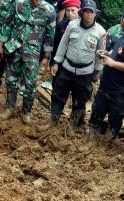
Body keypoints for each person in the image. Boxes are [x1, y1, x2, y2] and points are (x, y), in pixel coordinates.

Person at [88, 5, 124, 142]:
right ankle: (91, 141)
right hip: (107, 86)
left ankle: (106, 146)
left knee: (115, 119)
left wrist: (113, 63)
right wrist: (109, 54)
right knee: (97, 112)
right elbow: (120, 54)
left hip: (120, 90)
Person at [0, 0, 56, 122]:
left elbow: (50, 34)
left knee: (30, 82)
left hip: (33, 52)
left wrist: (46, 57)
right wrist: (0, 45)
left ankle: (26, 112)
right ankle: (10, 108)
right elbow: (7, 24)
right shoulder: (18, 3)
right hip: (14, 48)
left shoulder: (49, 10)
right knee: (11, 79)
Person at [50, 0, 107, 129]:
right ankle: (52, 123)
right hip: (67, 68)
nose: (88, 14)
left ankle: (72, 127)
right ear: (81, 12)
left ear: (95, 14)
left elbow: (100, 54)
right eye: (85, 11)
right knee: (58, 96)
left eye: (90, 12)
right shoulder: (72, 25)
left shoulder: (100, 32)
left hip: (85, 72)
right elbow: (63, 44)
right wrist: (56, 63)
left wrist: (97, 72)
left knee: (79, 101)